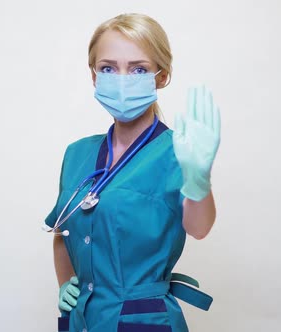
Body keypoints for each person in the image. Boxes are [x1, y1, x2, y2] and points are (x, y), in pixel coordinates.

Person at [43, 13, 221, 332]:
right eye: (108, 68)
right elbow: (62, 230)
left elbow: (200, 227)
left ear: (161, 76)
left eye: (138, 69)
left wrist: (198, 181)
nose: (122, 79)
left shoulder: (179, 150)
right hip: (84, 319)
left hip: (143, 318)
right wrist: (65, 285)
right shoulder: (77, 153)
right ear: (94, 76)